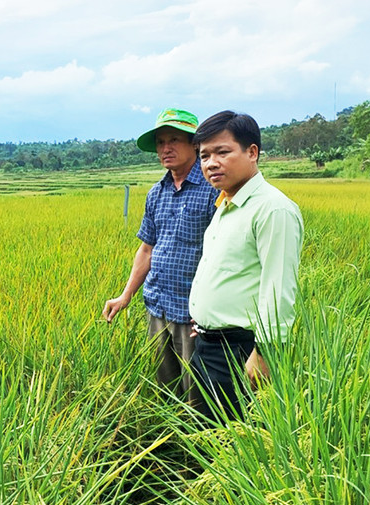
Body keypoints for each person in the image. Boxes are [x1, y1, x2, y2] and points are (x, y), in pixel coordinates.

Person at [188, 110, 303, 421]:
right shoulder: (227, 204)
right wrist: (208, 323)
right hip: (208, 344)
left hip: (242, 352)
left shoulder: (273, 209)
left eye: (222, 152)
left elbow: (278, 291)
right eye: (204, 155)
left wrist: (263, 355)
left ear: (252, 152)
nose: (211, 163)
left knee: (231, 444)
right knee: (205, 435)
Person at [102, 108, 218, 399]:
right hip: (159, 307)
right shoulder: (157, 192)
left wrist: (212, 310)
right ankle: (168, 442)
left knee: (198, 393)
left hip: (195, 314)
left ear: (194, 144)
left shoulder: (214, 189)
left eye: (174, 140)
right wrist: (125, 294)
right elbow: (147, 248)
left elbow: (226, 254)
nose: (166, 148)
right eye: (160, 142)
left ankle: (199, 443)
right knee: (164, 390)